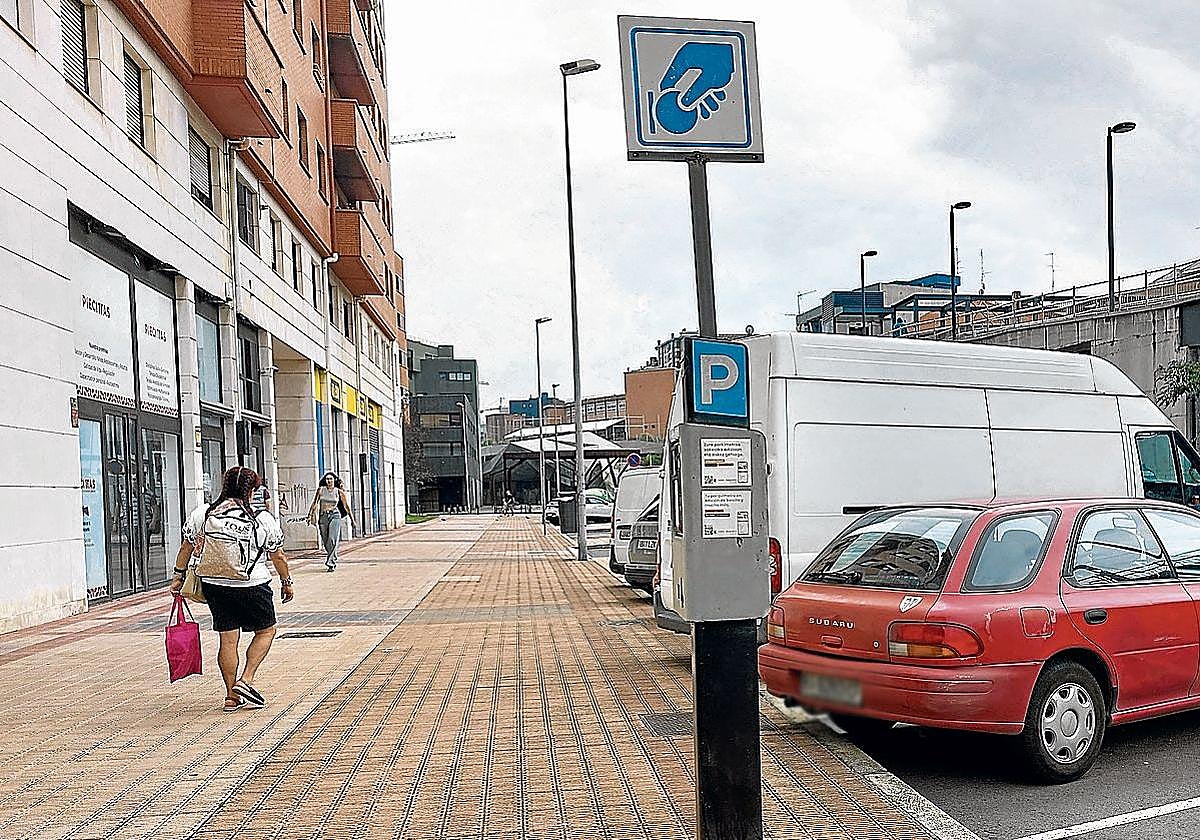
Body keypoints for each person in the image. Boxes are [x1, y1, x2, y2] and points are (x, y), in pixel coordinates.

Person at [170, 467, 294, 712]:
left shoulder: (204, 513)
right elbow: (278, 556)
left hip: (215, 585)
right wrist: (286, 581)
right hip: (253, 584)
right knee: (267, 631)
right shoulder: (262, 518)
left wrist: (178, 577)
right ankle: (246, 679)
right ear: (252, 490)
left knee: (228, 640)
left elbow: (186, 546)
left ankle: (230, 696)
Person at [308, 472, 351, 571]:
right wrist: (310, 515)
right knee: (326, 540)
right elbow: (314, 503)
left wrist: (352, 520)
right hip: (323, 517)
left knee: (332, 538)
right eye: (327, 479)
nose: (329, 481)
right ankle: (332, 557)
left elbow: (346, 506)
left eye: (331, 479)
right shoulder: (321, 490)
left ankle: (331, 562)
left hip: (335, 515)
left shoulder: (338, 491)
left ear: (334, 480)